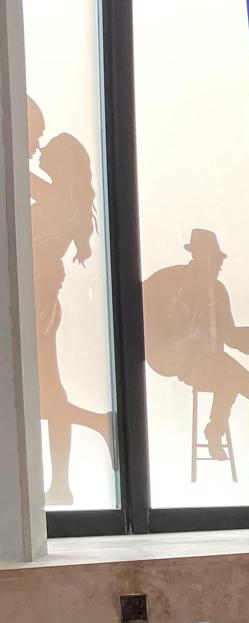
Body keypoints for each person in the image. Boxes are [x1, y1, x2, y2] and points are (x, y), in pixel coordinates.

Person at [27, 97, 113, 508]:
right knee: (49, 394)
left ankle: (66, 476)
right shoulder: (64, 200)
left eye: (46, 145)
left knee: (45, 396)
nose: (39, 148)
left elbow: (18, 174)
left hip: (39, 303)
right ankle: (63, 479)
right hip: (41, 300)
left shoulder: (59, 198)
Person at [142, 229, 249, 477]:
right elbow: (135, 303)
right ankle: (215, 430)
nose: (220, 264)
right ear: (199, 255)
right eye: (216, 258)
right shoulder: (167, 280)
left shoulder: (217, 290)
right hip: (183, 361)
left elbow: (229, 335)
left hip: (212, 359)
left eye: (220, 259)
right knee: (228, 380)